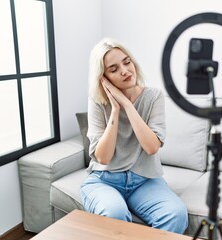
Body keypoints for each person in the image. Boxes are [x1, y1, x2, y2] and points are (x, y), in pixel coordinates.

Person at [80, 37, 188, 234]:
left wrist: (128, 105)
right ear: (103, 79)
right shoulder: (97, 102)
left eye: (126, 62)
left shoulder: (153, 96)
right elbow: (103, 157)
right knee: (114, 213)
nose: (124, 70)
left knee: (176, 214)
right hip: (105, 179)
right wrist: (115, 108)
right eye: (113, 69)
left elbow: (152, 147)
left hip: (145, 181)